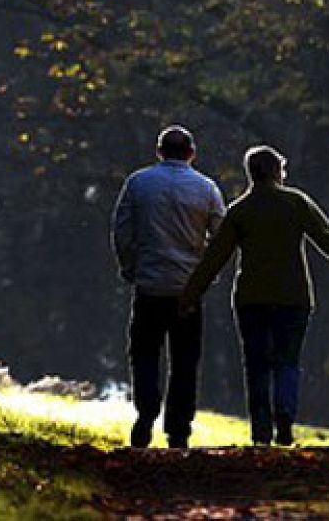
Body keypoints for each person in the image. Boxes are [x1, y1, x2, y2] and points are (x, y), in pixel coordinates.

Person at [181, 145, 329, 447]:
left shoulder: (240, 210)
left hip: (251, 299)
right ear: (277, 171)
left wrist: (190, 295)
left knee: (256, 364)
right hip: (293, 298)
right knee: (287, 361)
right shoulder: (295, 202)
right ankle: (284, 418)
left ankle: (261, 431)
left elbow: (214, 258)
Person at [110, 124, 225, 449]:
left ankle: (146, 412)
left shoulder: (138, 183)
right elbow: (222, 237)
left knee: (144, 352)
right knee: (185, 358)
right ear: (191, 153)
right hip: (188, 288)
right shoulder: (207, 189)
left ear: (159, 151)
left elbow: (121, 231)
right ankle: (178, 429)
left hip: (149, 284)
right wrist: (206, 274)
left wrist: (130, 267)